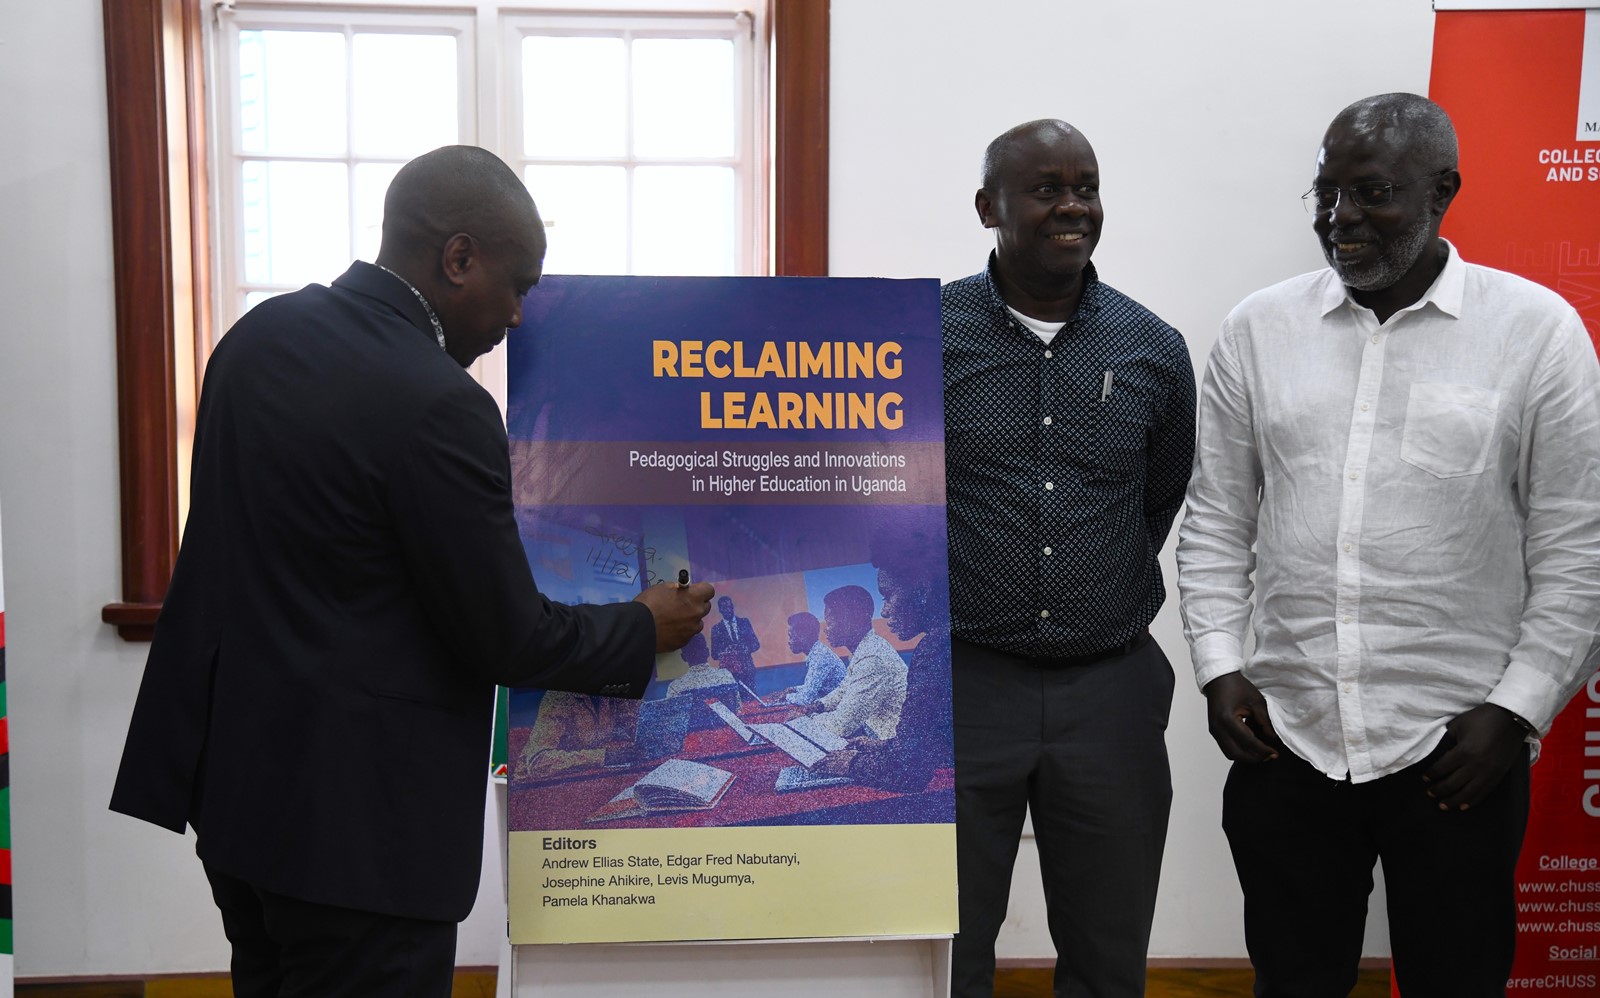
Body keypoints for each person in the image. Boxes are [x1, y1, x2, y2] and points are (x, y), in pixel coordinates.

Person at [108, 145, 715, 998]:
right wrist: (643, 625)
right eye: (518, 285)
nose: (517, 316)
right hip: (362, 839)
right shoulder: (440, 403)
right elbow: (505, 636)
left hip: (239, 801)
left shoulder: (256, 340)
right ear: (458, 258)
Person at [1177, 93, 1600, 998]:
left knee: (1457, 980)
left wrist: (1518, 711)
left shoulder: (1537, 333)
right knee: (1292, 982)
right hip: (1286, 739)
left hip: (1458, 749)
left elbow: (1579, 546)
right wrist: (1219, 668)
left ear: (1444, 190)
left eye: (1372, 195)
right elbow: (1215, 518)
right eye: (1325, 195)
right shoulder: (1259, 330)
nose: (1342, 222)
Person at [942, 119, 1195, 997]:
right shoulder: (923, 337)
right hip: (961, 684)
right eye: (1047, 188)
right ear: (989, 207)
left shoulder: (1152, 348)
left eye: (1085, 186)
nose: (1073, 207)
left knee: (1108, 952)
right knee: (946, 949)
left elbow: (1157, 498)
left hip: (1110, 693)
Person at [801, 584, 908, 742]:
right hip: (877, 737)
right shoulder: (866, 648)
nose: (826, 629)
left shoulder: (872, 658)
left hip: (892, 744)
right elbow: (844, 689)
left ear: (852, 621)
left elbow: (842, 725)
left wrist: (805, 721)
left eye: (830, 622)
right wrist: (818, 706)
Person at [780, 611, 846, 705]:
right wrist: (794, 689)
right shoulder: (818, 652)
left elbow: (805, 699)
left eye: (791, 636)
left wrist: (786, 697)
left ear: (803, 637)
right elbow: (813, 687)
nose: (789, 642)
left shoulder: (820, 657)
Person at [709, 595, 761, 690]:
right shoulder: (716, 629)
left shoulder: (744, 622)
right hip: (728, 674)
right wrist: (726, 652)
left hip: (747, 671)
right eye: (724, 608)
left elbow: (756, 644)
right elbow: (714, 655)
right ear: (720, 610)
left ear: (733, 607)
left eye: (730, 607)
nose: (728, 610)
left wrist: (746, 648)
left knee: (751, 700)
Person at [665, 631, 736, 697]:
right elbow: (737, 707)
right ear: (707, 652)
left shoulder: (676, 687)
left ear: (683, 657)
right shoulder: (725, 675)